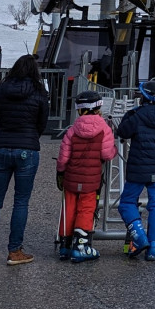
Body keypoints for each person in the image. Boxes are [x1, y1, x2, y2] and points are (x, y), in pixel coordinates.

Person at [0, 53, 50, 265]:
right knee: (20, 202)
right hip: (27, 151)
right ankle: (14, 252)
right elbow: (42, 123)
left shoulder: (1, 91)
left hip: (2, 149)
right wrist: (31, 139)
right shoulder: (39, 92)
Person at [55, 89, 118, 263]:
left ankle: (65, 245)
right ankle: (81, 246)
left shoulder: (72, 130)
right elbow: (106, 154)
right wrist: (114, 150)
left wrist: (60, 171)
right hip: (91, 180)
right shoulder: (104, 129)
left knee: (69, 207)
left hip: (71, 178)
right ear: (98, 108)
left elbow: (63, 158)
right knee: (86, 209)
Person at [115, 79, 155, 261]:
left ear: (145, 98)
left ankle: (139, 237)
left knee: (126, 203)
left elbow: (123, 132)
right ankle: (154, 246)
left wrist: (129, 115)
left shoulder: (137, 115)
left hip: (138, 169)